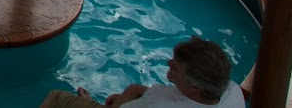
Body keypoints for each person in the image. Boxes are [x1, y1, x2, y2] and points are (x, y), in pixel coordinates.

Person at [36, 35, 242, 107]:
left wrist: (121, 100)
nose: (168, 63)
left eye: (176, 67)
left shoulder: (157, 105)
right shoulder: (232, 92)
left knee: (56, 98)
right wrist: (132, 92)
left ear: (194, 87)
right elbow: (139, 92)